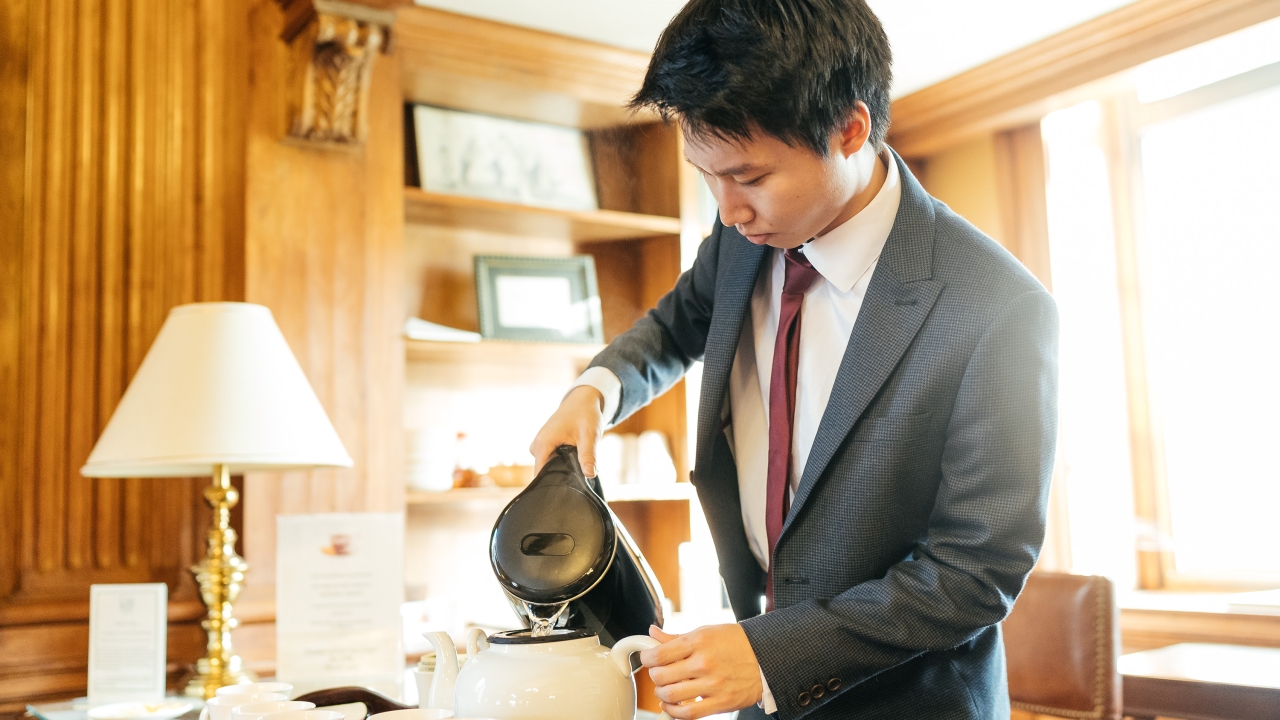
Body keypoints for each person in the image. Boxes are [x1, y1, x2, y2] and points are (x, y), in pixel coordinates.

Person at [530, 0, 1059, 717]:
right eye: (706, 175)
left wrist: (771, 655)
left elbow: (976, 571)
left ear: (849, 129)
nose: (728, 210)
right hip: (759, 689)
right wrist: (594, 393)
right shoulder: (742, 239)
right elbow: (676, 327)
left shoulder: (998, 307)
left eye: (749, 178)